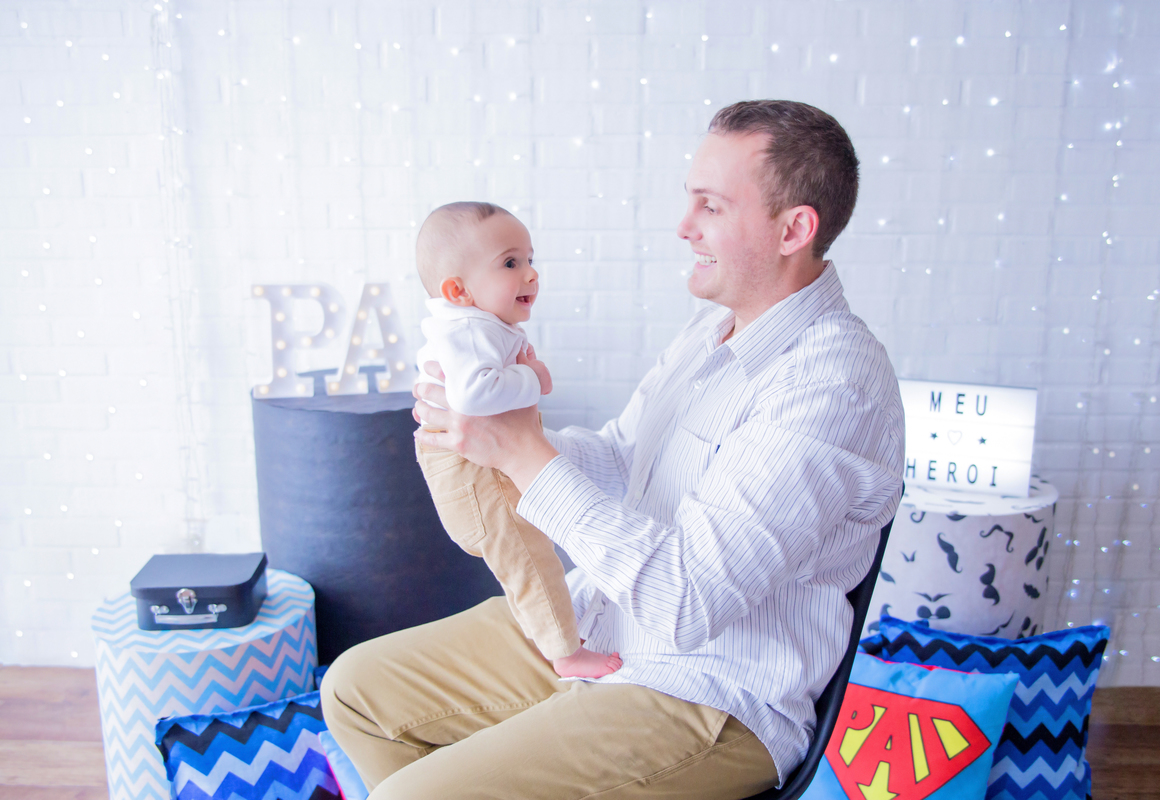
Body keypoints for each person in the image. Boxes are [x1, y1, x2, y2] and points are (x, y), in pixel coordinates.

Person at [321, 99, 905, 800]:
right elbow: (622, 459)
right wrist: (496, 437)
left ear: (793, 229)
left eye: (710, 206)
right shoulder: (710, 329)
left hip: (707, 691)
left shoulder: (833, 383)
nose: (683, 226)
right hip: (605, 625)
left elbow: (686, 601)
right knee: (356, 692)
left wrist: (521, 455)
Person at [411, 201, 622, 680]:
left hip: (475, 467)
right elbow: (472, 394)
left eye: (530, 260)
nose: (530, 275)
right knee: (531, 559)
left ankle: (554, 635)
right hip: (473, 475)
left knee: (527, 557)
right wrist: (534, 377)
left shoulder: (477, 324)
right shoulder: (469, 328)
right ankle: (565, 655)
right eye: (511, 263)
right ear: (458, 291)